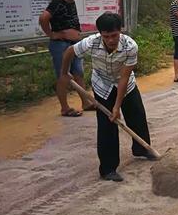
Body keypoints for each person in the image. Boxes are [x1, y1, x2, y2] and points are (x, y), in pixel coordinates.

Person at [60, 12, 156, 182]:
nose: (111, 40)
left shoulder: (130, 46)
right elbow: (69, 51)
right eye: (107, 36)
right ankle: (108, 168)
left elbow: (124, 78)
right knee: (107, 125)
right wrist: (64, 73)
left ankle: (142, 148)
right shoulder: (91, 42)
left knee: (137, 115)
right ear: (100, 34)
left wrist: (117, 106)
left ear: (121, 31)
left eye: (114, 35)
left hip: (125, 84)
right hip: (102, 85)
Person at [39, 0, 92, 117]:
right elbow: (44, 18)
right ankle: (65, 108)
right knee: (63, 75)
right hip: (61, 45)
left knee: (78, 73)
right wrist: (51, 34)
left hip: (74, 45)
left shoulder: (70, 2)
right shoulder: (57, 3)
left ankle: (85, 102)